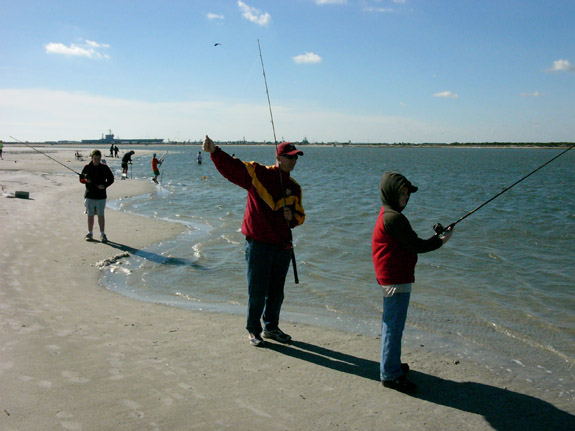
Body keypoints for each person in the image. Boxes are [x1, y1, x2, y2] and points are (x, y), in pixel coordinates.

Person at [202, 135, 305, 347]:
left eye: (296, 158)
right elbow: (233, 168)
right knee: (257, 291)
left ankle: (271, 327)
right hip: (258, 245)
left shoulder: (295, 187)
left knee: (277, 292)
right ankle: (253, 330)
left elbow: (300, 216)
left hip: (283, 247)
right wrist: (215, 152)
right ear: (278, 157)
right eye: (290, 157)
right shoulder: (258, 174)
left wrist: (291, 218)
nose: (294, 162)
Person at [372, 172, 453, 394]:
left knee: (392, 324)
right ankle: (390, 374)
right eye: (403, 193)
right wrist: (442, 240)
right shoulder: (394, 218)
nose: (406, 197)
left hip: (392, 277)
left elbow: (409, 243)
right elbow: (417, 245)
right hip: (395, 280)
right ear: (390, 192)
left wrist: (437, 239)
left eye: (408, 193)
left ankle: (391, 365)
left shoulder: (388, 214)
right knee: (393, 327)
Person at [79, 149, 115, 243]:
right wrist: (86, 180)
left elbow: (111, 179)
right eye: (95, 159)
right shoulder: (87, 167)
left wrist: (104, 186)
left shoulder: (104, 167)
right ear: (92, 158)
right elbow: (81, 179)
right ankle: (90, 233)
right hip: (89, 195)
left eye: (98, 159)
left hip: (101, 196)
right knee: (90, 215)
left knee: (100, 215)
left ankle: (102, 234)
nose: (97, 161)